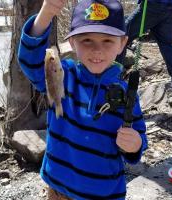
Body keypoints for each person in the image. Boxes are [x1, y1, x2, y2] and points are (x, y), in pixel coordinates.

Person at [18, 0, 148, 199]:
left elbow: (136, 143)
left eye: (107, 41)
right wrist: (46, 14)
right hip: (58, 189)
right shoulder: (64, 74)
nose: (97, 49)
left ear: (122, 44)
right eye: (87, 40)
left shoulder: (126, 95)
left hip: (104, 194)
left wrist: (135, 145)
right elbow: (31, 62)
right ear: (72, 42)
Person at [117, 0, 172, 107]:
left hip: (152, 4)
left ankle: (110, 85)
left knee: (120, 38)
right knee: (167, 47)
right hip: (170, 7)